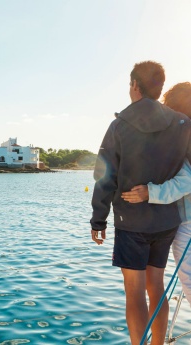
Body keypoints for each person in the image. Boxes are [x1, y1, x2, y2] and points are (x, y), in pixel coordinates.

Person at [90, 61, 191, 345]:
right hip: (168, 220)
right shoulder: (183, 124)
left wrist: (98, 219)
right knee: (156, 287)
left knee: (134, 291)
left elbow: (104, 175)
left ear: (134, 85)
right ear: (160, 88)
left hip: (131, 222)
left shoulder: (119, 125)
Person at [121, 82, 191, 308]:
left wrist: (150, 192)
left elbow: (186, 180)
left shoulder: (181, 136)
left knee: (189, 282)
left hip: (187, 219)